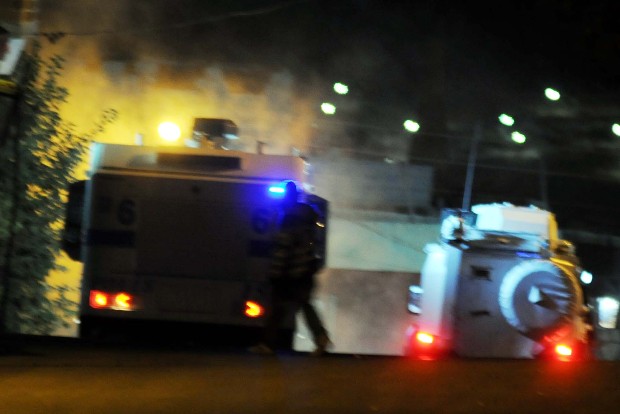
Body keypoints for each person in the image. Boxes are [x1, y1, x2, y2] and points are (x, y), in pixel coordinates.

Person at [250, 181, 331, 356]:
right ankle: (321, 338)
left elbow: (283, 251)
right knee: (303, 306)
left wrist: (275, 274)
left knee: (277, 309)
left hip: (290, 274)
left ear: (288, 198)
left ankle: (267, 345)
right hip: (305, 272)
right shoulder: (308, 218)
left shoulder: (289, 219)